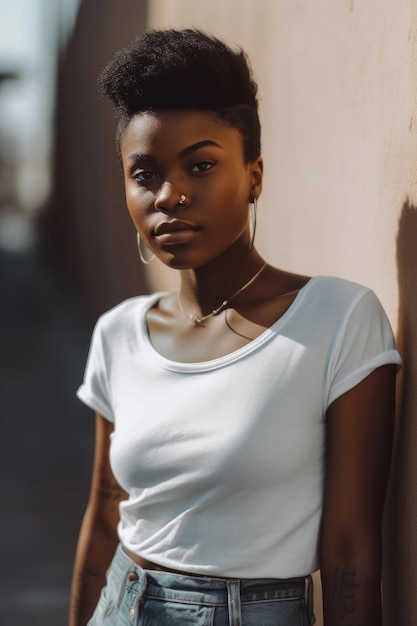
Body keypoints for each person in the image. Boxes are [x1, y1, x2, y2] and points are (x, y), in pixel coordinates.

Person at [69, 28, 401, 626]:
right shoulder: (117, 334)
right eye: (144, 173)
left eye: (200, 165)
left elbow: (353, 548)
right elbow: (105, 515)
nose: (170, 195)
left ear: (254, 175)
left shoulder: (338, 320)